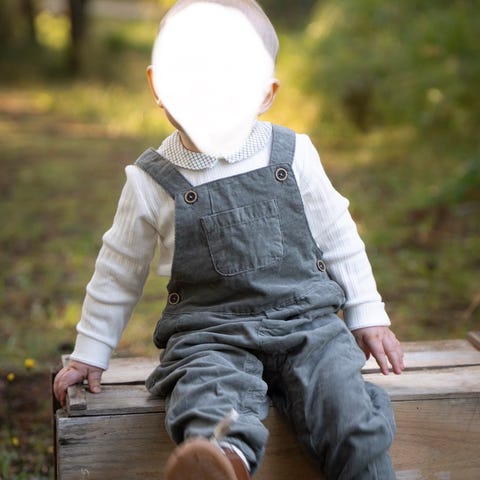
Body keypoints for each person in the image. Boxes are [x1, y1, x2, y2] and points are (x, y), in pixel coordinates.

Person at [53, 1, 405, 479]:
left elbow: (339, 234)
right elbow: (118, 271)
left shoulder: (293, 154)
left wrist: (367, 314)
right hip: (210, 335)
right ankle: (223, 462)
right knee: (209, 394)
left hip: (308, 325)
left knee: (344, 404)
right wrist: (90, 351)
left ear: (264, 93)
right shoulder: (151, 180)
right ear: (158, 86)